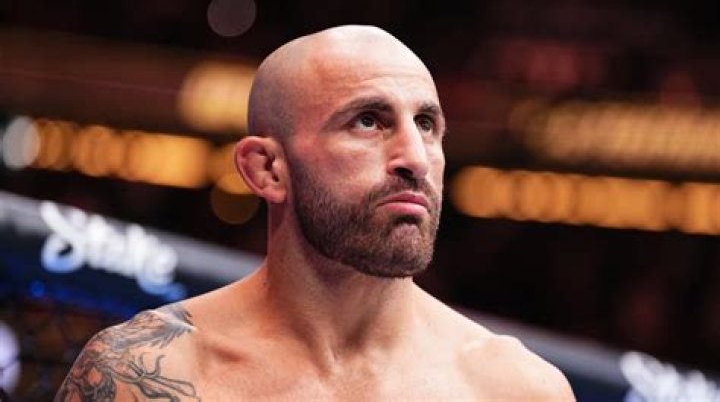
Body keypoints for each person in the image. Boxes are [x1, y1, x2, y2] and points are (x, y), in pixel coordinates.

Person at [56, 25, 575, 401]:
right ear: (267, 169)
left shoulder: (516, 388)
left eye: (426, 124)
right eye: (368, 121)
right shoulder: (147, 375)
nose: (415, 158)